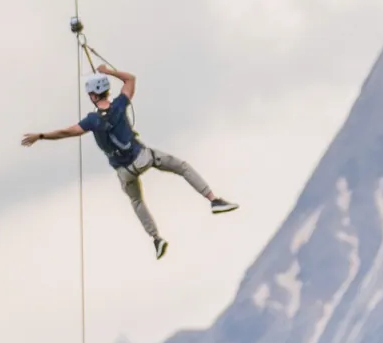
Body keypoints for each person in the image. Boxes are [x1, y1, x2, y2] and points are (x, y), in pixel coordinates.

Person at [22, 57, 236, 259]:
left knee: (136, 200)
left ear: (93, 96)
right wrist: (107, 71)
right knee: (182, 167)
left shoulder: (91, 121)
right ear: (106, 92)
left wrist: (40, 136)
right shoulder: (120, 104)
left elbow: (67, 132)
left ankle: (156, 238)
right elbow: (130, 79)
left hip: (124, 172)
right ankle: (213, 200)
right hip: (143, 158)